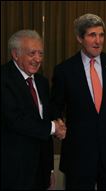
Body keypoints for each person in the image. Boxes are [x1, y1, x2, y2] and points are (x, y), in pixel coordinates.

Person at [50, 13, 106, 189]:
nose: (98, 41)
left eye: (101, 35)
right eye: (92, 35)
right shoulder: (65, 70)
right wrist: (57, 122)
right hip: (78, 154)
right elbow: (55, 106)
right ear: (79, 38)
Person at [1, 29, 66, 189]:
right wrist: (53, 127)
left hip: (40, 172)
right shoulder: (3, 79)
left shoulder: (42, 82)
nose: (37, 59)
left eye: (41, 54)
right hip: (12, 172)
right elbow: (15, 120)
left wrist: (49, 169)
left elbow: (45, 121)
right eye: (32, 53)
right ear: (15, 54)